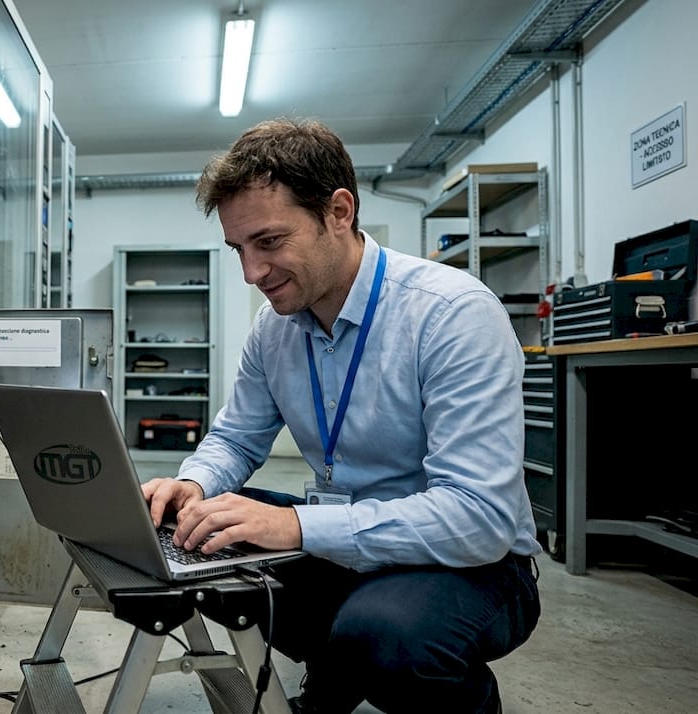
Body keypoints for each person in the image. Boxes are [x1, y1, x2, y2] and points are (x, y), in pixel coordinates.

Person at [141, 117, 542, 714]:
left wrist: (297, 528)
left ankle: (419, 683)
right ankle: (336, 671)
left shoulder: (452, 315)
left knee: (385, 638)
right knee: (201, 538)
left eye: (270, 242)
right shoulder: (274, 329)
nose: (252, 274)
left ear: (338, 211)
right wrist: (192, 483)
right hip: (347, 530)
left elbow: (478, 517)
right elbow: (236, 436)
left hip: (471, 561)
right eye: (239, 250)